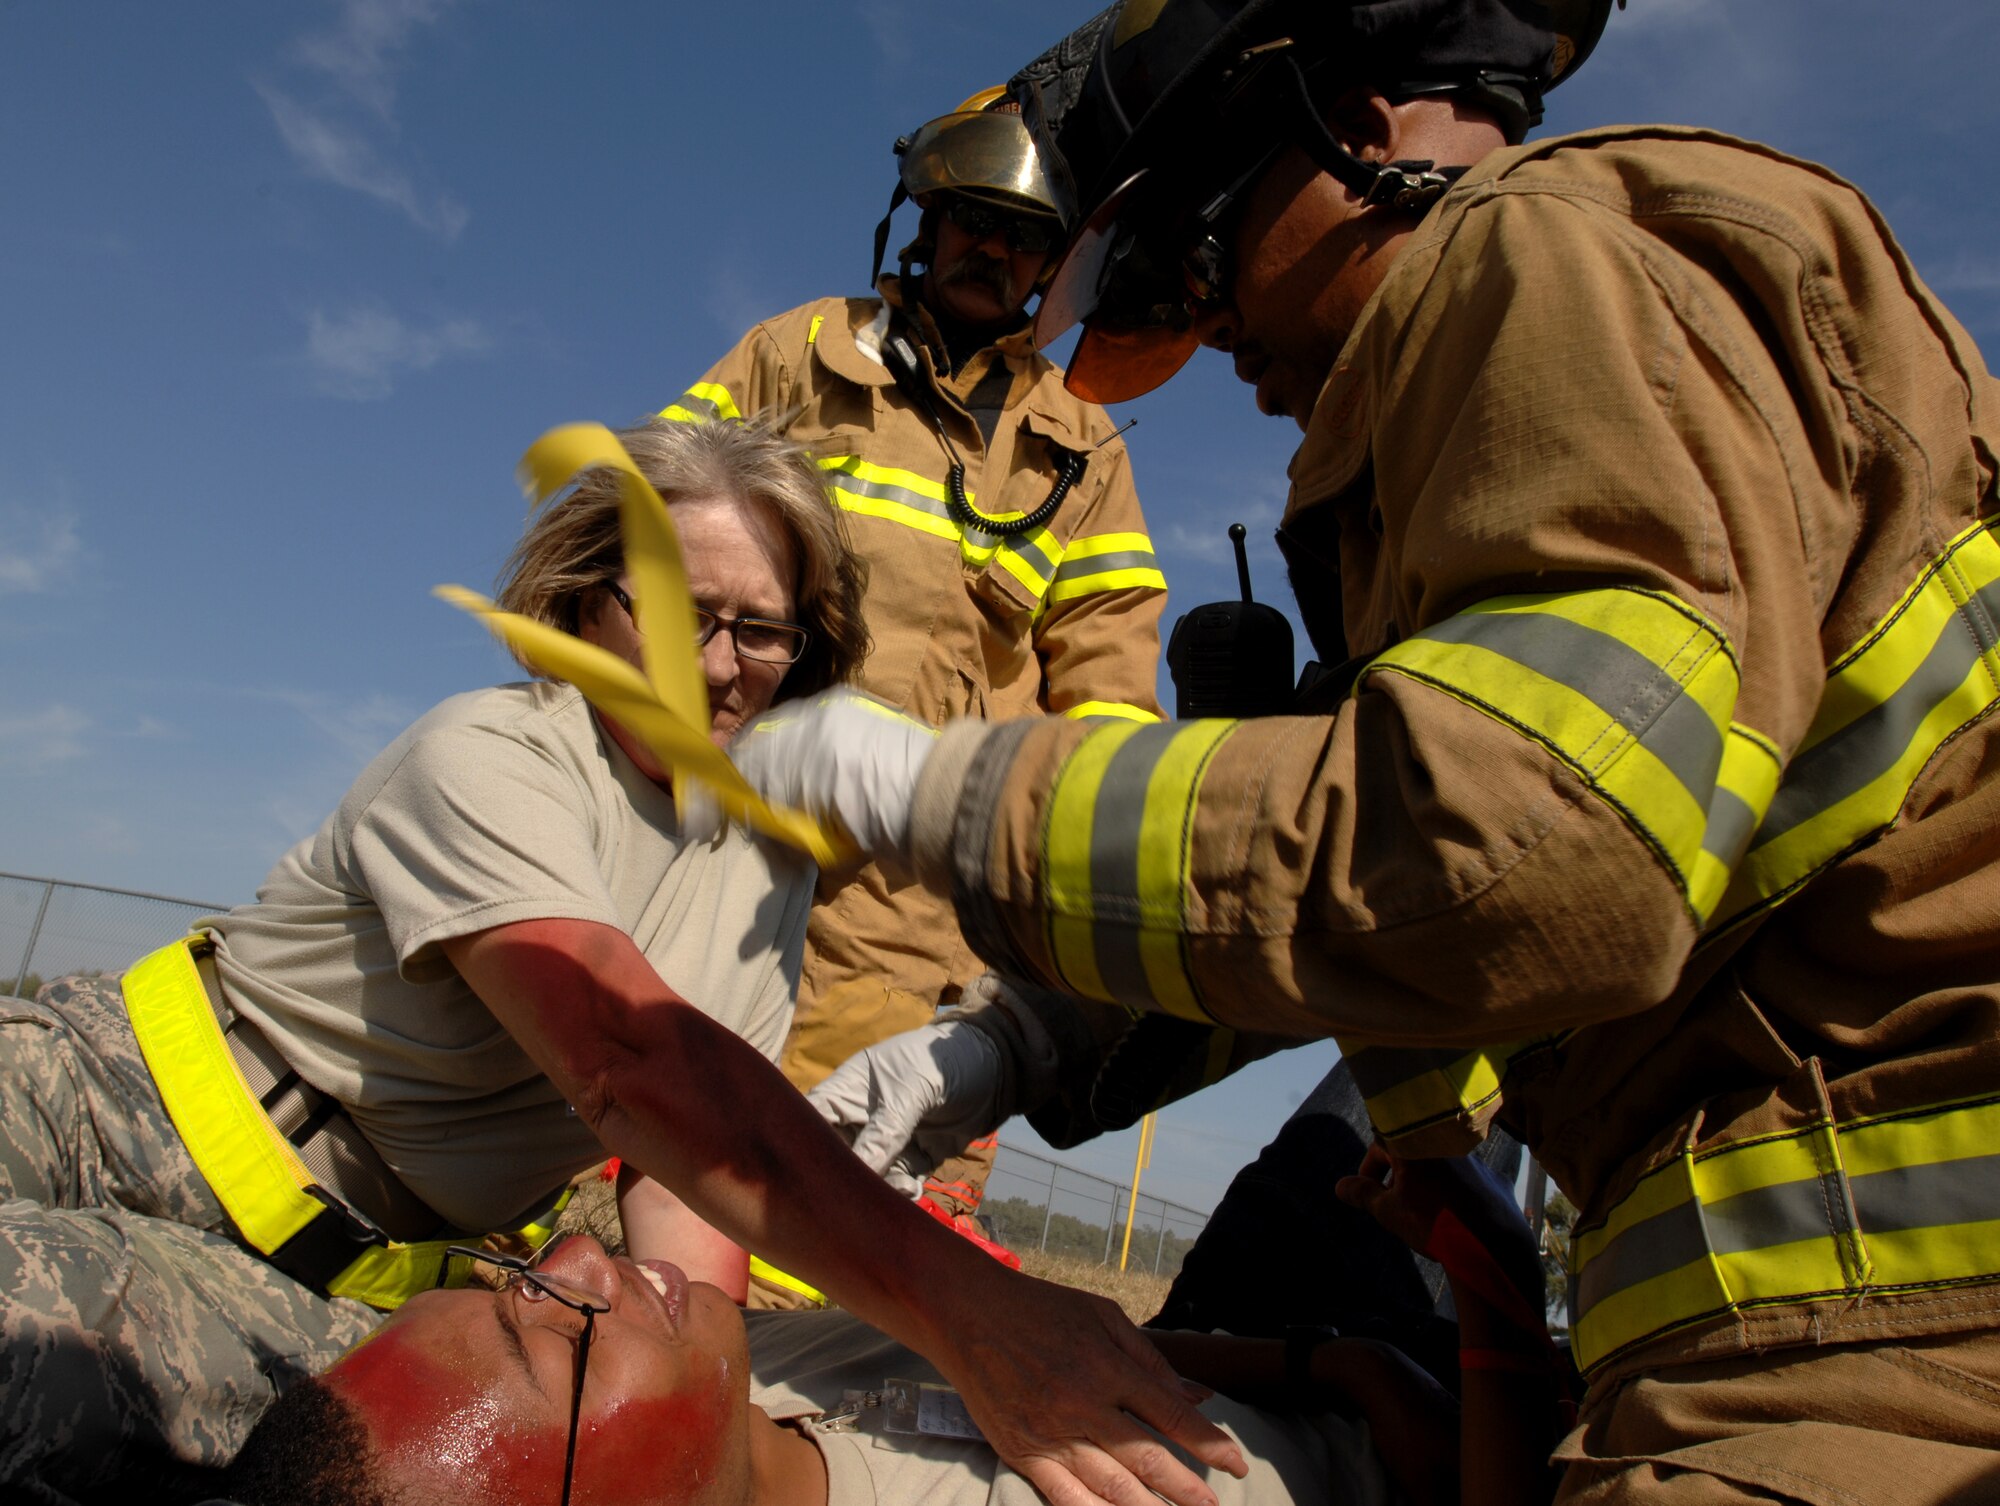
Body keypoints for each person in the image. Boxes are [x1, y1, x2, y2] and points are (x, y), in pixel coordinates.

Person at [723, 2, 2000, 1501]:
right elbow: (1358, 872)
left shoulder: (1547, 251)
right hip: (1781, 1337)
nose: (1210, 345)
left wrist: (940, 790)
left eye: (1197, 261)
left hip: (1887, 1363)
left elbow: (1516, 842)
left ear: (1360, 131)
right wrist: (1010, 1042)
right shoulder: (1500, 416)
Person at [0, 416, 1237, 1506]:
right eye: (675, 609)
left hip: (347, 1292)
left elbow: (687, 1211)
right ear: (588, 603)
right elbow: (631, 1061)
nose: (717, 666)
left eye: (759, 629)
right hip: (96, 1101)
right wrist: (967, 1315)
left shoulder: (765, 879)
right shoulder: (494, 751)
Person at [659, 87, 1168, 1237]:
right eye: (975, 220)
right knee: (656, 1164)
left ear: (1054, 263)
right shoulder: (798, 354)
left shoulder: (1079, 451)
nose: (996, 250)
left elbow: (1108, 694)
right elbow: (646, 536)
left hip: (917, 913)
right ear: (923, 223)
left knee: (837, 1226)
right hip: (727, 842)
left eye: (1026, 234)